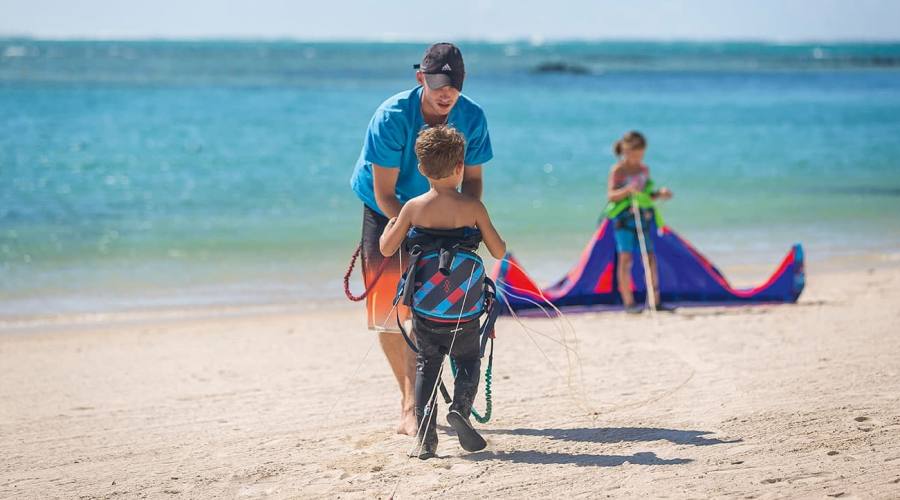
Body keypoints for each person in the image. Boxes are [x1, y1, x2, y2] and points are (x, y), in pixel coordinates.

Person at [349, 43, 493, 435]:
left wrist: (461, 226)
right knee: (389, 312)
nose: (446, 93)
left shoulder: (472, 117)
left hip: (445, 212)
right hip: (389, 209)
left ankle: (429, 394)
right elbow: (384, 193)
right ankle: (409, 402)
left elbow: (475, 183)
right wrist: (414, 229)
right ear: (421, 79)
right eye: (438, 84)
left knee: (436, 303)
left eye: (454, 84)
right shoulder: (392, 115)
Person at [380, 125, 506, 459]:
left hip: (426, 310)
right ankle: (461, 411)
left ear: (421, 168)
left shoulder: (412, 207)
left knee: (427, 365)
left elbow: (388, 248)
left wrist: (392, 226)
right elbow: (498, 251)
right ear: (460, 167)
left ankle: (425, 437)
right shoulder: (473, 206)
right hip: (464, 309)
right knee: (467, 360)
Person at [604, 131, 673, 314]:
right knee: (625, 259)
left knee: (649, 258)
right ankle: (629, 303)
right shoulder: (618, 170)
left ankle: (654, 301)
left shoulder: (644, 170)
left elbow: (646, 195)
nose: (637, 159)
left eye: (640, 155)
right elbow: (610, 196)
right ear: (625, 151)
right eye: (634, 155)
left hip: (642, 218)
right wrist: (627, 190)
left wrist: (660, 194)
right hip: (624, 220)